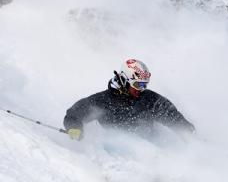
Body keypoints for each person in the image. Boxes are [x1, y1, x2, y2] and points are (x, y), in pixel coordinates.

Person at [64, 58, 194, 140]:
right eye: (138, 85)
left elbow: (171, 115)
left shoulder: (149, 99)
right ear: (124, 81)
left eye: (144, 85)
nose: (141, 89)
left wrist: (188, 132)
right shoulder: (102, 101)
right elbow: (75, 113)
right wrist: (74, 127)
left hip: (155, 151)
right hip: (119, 157)